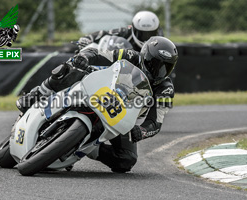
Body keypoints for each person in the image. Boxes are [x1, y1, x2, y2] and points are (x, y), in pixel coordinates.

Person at [16, 36, 178, 173]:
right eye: (155, 64)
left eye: (166, 67)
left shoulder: (166, 89)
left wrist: (142, 131)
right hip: (99, 90)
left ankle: (86, 148)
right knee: (70, 69)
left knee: (126, 160)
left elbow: (156, 122)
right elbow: (97, 53)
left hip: (121, 117)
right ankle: (37, 94)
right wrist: (84, 58)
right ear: (145, 56)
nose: (159, 71)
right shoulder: (128, 54)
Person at [77, 11, 163, 51]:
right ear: (133, 28)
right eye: (142, 33)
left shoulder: (161, 40)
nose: (146, 37)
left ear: (156, 31)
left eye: (150, 33)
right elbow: (105, 33)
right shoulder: (125, 31)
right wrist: (88, 38)